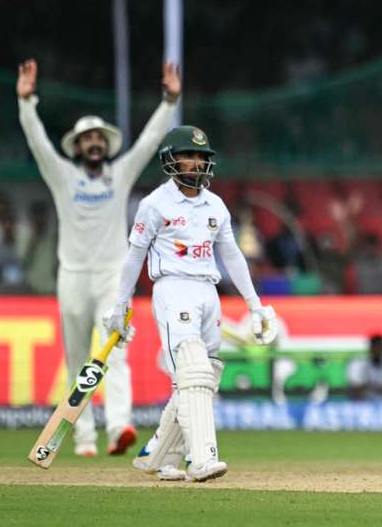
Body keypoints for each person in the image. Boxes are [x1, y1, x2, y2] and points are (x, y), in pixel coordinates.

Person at [16, 59, 182, 457]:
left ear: (105, 146)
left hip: (112, 276)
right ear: (77, 147)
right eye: (86, 139)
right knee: (76, 360)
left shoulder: (119, 174)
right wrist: (26, 103)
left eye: (98, 139)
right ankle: (84, 437)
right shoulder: (62, 175)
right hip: (71, 276)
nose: (93, 144)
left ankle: (119, 427)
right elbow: (38, 142)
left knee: (116, 352)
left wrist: (169, 100)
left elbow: (148, 142)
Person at [106, 125, 276, 482]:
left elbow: (231, 255)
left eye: (201, 157)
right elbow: (133, 256)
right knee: (194, 370)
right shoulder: (154, 205)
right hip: (173, 288)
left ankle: (158, 455)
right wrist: (120, 304)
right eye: (188, 156)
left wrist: (255, 305)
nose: (196, 163)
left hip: (207, 291)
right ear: (170, 160)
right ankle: (201, 459)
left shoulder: (215, 205)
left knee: (204, 376)